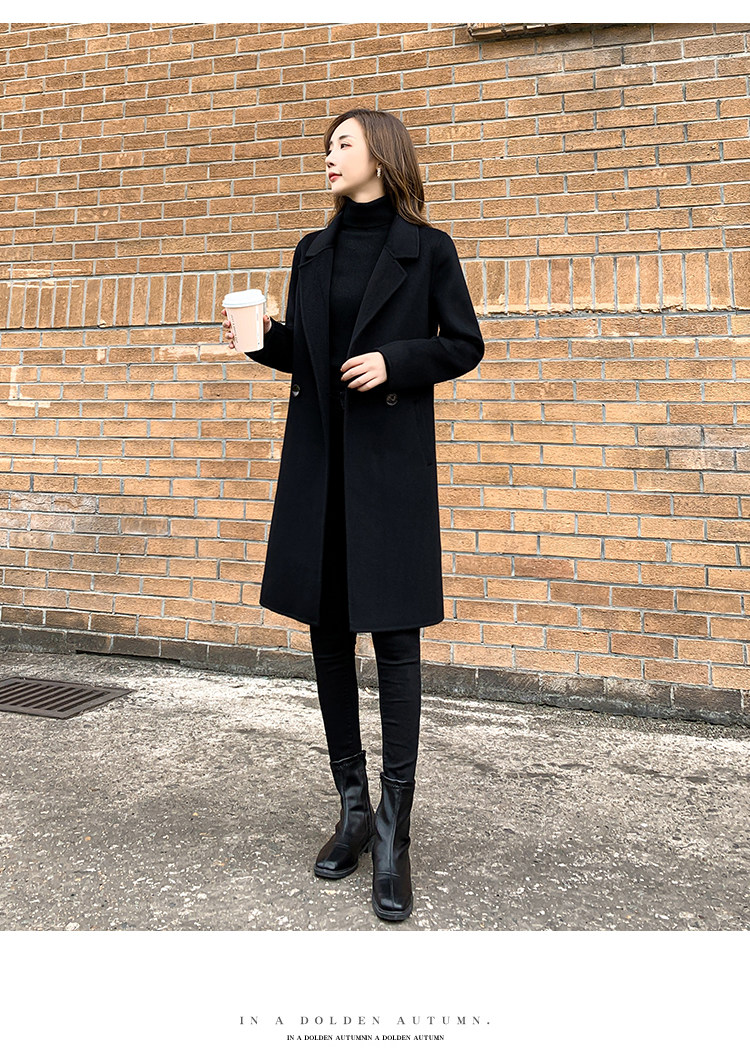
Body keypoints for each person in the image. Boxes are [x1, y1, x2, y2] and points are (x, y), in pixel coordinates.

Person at [222, 107, 484, 922]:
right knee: (329, 635)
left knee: (395, 641)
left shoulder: (428, 247)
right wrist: (262, 339)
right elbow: (309, 352)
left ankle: (395, 831)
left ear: (381, 153)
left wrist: (395, 361)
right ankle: (353, 809)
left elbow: (464, 343)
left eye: (344, 143)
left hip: (388, 471)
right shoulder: (312, 250)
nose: (330, 156)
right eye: (327, 145)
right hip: (320, 468)